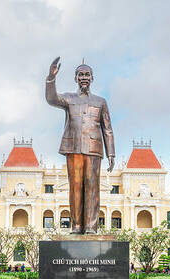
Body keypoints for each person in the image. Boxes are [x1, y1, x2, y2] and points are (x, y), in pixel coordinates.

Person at [46, 56, 115, 234]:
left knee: (92, 187)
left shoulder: (101, 102)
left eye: (87, 75)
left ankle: (91, 227)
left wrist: (111, 154)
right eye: (80, 75)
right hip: (73, 147)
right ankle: (76, 226)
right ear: (76, 78)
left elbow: (107, 129)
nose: (84, 78)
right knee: (75, 186)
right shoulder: (68, 98)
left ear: (92, 78)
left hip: (94, 149)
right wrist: (51, 78)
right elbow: (51, 99)